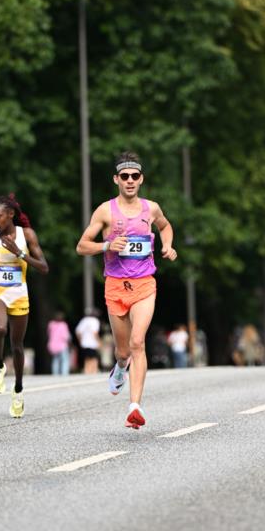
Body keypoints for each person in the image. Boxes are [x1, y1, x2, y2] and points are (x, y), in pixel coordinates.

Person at [76, 150, 177, 429]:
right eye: (125, 176)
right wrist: (107, 245)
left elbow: (166, 226)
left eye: (134, 176)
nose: (130, 180)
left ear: (141, 179)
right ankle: (120, 368)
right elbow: (82, 246)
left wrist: (167, 245)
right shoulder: (105, 211)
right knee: (123, 352)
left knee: (137, 343)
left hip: (145, 284)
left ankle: (134, 407)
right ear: (116, 179)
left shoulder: (151, 208)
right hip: (115, 286)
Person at [0, 194, 48, 418]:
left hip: (19, 295)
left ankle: (18, 390)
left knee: (17, 345)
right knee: (0, 328)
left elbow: (44, 267)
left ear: (11, 215)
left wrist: (20, 253)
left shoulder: (27, 235)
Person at [75, 308, 101, 373]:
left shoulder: (84, 320)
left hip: (84, 343)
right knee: (94, 358)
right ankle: (94, 371)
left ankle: (87, 370)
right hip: (92, 343)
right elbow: (95, 332)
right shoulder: (95, 321)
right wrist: (98, 341)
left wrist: (80, 340)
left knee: (87, 358)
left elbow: (78, 332)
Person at [47, 311, 71, 376]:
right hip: (62, 345)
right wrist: (69, 341)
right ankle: (64, 373)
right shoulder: (63, 325)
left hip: (53, 345)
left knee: (55, 360)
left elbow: (48, 334)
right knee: (65, 360)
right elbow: (65, 336)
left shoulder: (51, 324)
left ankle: (55, 374)